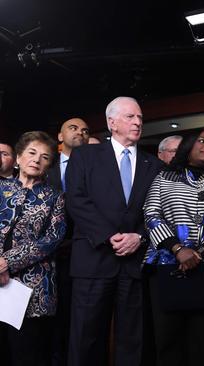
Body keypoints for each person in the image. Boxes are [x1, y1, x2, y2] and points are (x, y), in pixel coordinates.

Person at [65, 96, 164, 366]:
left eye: (140, 118)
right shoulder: (85, 156)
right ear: (112, 123)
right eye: (131, 117)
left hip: (134, 265)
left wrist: (140, 237)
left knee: (132, 342)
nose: (138, 122)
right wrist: (109, 236)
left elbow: (158, 211)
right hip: (93, 260)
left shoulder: (153, 165)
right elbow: (76, 200)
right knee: (85, 339)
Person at [143, 128, 204, 366]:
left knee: (202, 340)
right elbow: (151, 214)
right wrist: (177, 249)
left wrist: (200, 253)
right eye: (202, 141)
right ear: (187, 147)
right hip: (166, 266)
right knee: (167, 339)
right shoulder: (164, 178)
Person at [0, 131, 66, 366]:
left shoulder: (54, 197)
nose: (37, 159)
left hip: (32, 289)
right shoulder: (1, 188)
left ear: (49, 166)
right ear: (18, 158)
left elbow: (52, 239)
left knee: (26, 354)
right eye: (32, 153)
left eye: (45, 157)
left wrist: (7, 262)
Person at [46, 117, 90, 366]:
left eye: (85, 131)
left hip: (82, 247)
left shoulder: (96, 168)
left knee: (77, 314)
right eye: (73, 128)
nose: (81, 133)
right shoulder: (47, 166)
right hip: (48, 253)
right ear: (60, 136)